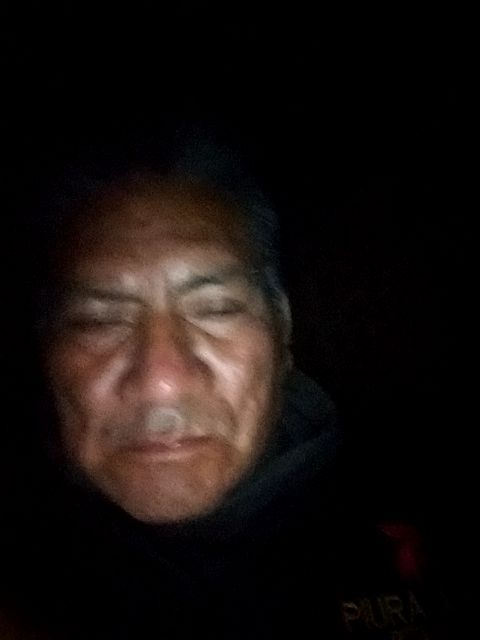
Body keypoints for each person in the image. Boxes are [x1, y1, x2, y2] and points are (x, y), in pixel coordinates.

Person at [1, 133, 458, 638]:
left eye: (216, 309)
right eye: (98, 320)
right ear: (45, 351)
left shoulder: (417, 544)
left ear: (282, 330)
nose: (161, 381)